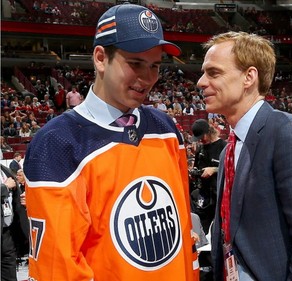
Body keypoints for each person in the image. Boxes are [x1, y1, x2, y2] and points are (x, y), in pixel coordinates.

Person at [23, 4, 198, 281]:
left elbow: (181, 230)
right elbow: (59, 268)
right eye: (135, 63)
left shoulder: (165, 128)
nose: (148, 78)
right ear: (101, 58)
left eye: (155, 66)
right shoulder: (55, 144)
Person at [197, 31, 292, 280]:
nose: (201, 82)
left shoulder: (290, 133)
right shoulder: (227, 152)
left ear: (249, 77)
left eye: (214, 73)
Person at [190, 119, 226, 234]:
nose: (200, 140)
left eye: (202, 137)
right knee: (202, 231)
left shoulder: (224, 147)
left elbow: (232, 170)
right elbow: (196, 168)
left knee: (221, 231)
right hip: (204, 198)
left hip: (220, 196)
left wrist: (214, 170)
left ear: (208, 132)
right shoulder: (200, 149)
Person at [1, 164, 29, 281]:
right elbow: (6, 188)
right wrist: (4, 187)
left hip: (7, 231)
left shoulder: (4, 170)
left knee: (9, 269)